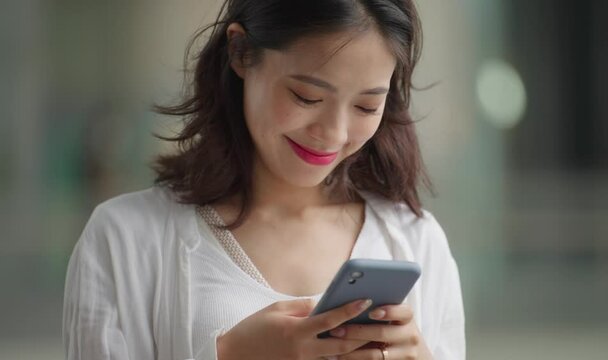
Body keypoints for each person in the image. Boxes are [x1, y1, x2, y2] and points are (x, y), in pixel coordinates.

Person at [62, 0, 465, 359]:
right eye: (307, 97)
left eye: (366, 105)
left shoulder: (416, 241)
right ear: (240, 51)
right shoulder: (125, 239)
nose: (335, 133)